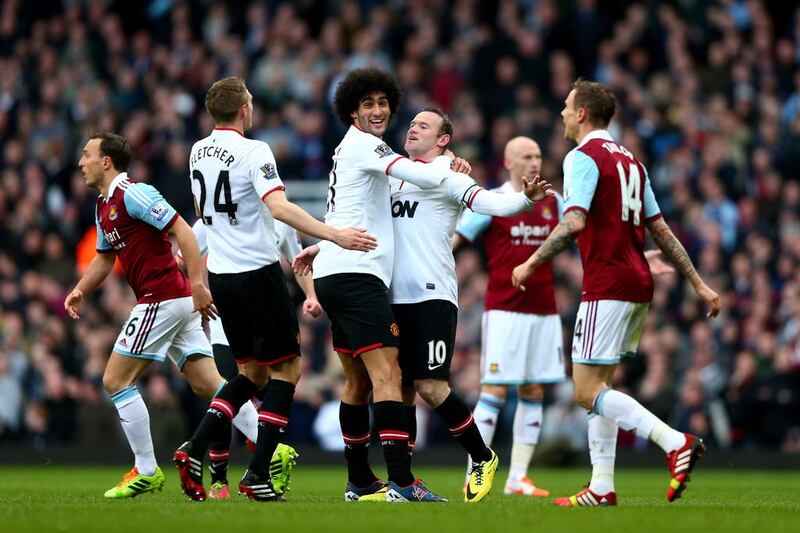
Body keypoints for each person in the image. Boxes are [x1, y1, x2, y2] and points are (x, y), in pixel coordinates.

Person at [294, 107, 554, 503]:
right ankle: (403, 482)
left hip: (432, 295)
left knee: (432, 387)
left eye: (424, 126)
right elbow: (366, 222)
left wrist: (523, 200)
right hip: (389, 294)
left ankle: (483, 457)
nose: (412, 129)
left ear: (444, 139)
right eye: (412, 123)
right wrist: (323, 243)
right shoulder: (393, 176)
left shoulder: (450, 176)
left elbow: (486, 203)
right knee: (400, 390)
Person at [511, 79, 720, 506]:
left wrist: (531, 262)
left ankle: (675, 441)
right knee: (601, 387)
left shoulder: (582, 157)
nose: (563, 114)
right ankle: (602, 486)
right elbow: (659, 228)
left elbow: (575, 223)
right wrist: (696, 281)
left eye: (568, 107)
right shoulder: (633, 162)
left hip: (606, 284)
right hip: (637, 283)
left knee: (586, 391)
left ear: (583, 113)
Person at [173, 76, 375, 502]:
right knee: (287, 371)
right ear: (244, 110)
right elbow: (279, 207)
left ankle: (195, 447)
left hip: (222, 278)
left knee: (250, 373)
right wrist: (335, 234)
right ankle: (258, 474)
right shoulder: (254, 150)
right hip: (257, 274)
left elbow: (200, 213)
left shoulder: (196, 151)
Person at [65, 132, 263, 499]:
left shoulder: (135, 193)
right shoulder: (102, 205)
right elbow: (106, 258)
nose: (81, 161)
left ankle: (146, 469)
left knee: (115, 380)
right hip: (174, 301)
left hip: (164, 298)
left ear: (106, 161)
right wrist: (80, 289)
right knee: (210, 384)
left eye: (87, 154)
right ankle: (272, 447)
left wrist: (199, 285)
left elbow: (184, 232)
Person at [310, 68, 474, 502]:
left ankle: (359, 480)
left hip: (335, 271)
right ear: (352, 110)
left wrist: (320, 246)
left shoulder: (351, 149)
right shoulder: (368, 146)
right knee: (389, 376)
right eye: (368, 104)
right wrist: (448, 170)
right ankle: (401, 482)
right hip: (358, 275)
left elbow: (365, 207)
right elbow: (415, 175)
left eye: (383, 103)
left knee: (356, 384)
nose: (378, 110)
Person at [452, 136, 565, 497]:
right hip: (504, 309)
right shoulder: (493, 201)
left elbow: (583, 237)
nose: (534, 162)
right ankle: (475, 473)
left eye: (538, 155)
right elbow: (456, 240)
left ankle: (517, 478)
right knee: (495, 389)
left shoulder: (554, 202)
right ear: (508, 162)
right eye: (526, 156)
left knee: (533, 389)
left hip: (544, 310)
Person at [175, 218, 319, 499]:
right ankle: (241, 473)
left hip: (229, 304)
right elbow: (182, 256)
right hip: (245, 307)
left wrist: (311, 294)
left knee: (247, 383)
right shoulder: (271, 205)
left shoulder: (215, 207)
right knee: (280, 376)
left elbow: (296, 260)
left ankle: (204, 451)